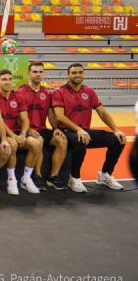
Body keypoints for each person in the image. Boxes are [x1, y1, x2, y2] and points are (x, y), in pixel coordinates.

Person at [53, 63, 127, 192]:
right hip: (67, 131)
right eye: (74, 73)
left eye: (80, 72)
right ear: (68, 75)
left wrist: (116, 129)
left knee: (117, 140)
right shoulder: (59, 92)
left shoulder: (89, 91)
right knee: (82, 140)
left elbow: (102, 112)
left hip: (84, 131)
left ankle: (105, 175)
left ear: (84, 74)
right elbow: (59, 116)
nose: (77, 75)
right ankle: (74, 178)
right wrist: (78, 129)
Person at [16, 62, 69, 190]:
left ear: (44, 73)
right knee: (38, 140)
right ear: (29, 73)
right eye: (35, 72)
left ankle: (53, 177)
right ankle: (37, 176)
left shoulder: (48, 93)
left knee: (62, 140)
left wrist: (56, 128)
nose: (38, 74)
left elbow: (51, 115)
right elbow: (16, 118)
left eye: (40, 72)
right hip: (24, 130)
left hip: (42, 128)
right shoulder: (19, 92)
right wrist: (28, 130)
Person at [0, 69, 42, 195]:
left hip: (17, 133)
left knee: (36, 144)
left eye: (9, 79)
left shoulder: (18, 97)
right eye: (4, 79)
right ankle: (11, 179)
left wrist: (23, 134)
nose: (8, 82)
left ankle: (26, 178)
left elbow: (25, 119)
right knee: (13, 144)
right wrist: (14, 135)